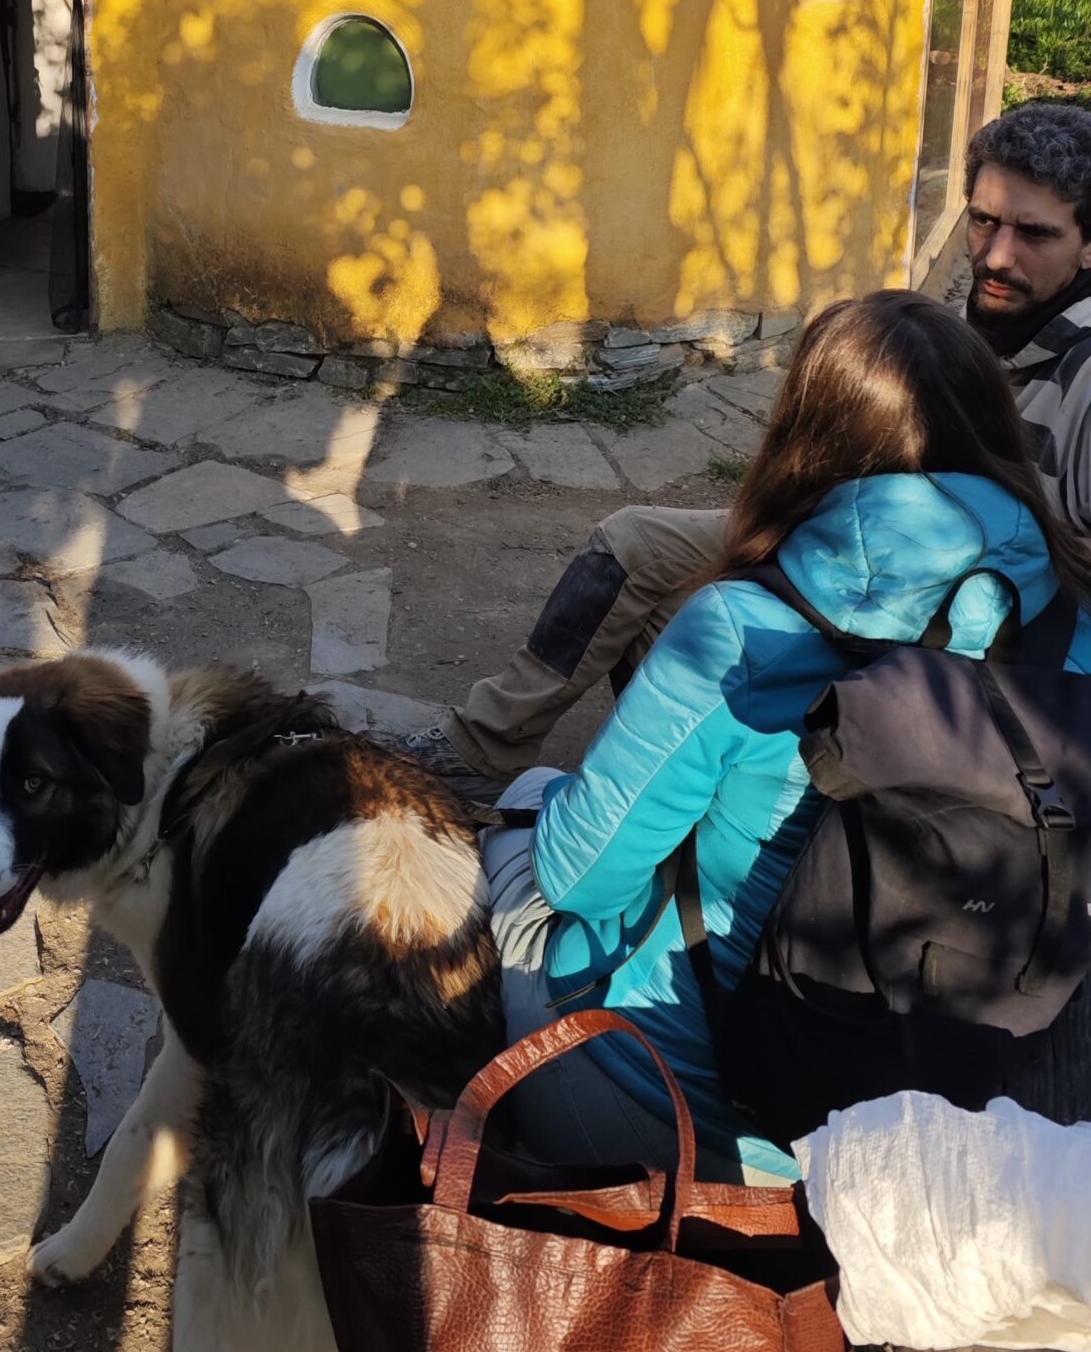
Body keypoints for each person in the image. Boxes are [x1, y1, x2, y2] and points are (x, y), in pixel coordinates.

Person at [481, 289, 1091, 1185]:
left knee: (522, 816)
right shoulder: (1072, 626)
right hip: (945, 1114)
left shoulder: (742, 626)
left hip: (686, 1113)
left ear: (806, 436)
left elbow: (582, 877)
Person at [450, 99, 1091, 782]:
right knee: (636, 546)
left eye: (1034, 233)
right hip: (865, 549)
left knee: (699, 621)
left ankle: (681, 794)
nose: (997, 255)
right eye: (984, 220)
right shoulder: (981, 326)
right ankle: (486, 749)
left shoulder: (1083, 373)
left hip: (958, 628)